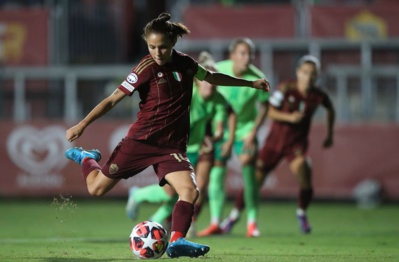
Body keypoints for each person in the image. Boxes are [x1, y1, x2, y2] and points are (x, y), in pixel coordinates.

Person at [64, 13, 269, 259]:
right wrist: (83, 124)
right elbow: (112, 100)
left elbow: (212, 77)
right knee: (96, 189)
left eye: (162, 47)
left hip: (171, 147)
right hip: (141, 141)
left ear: (173, 43)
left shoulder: (186, 64)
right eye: (152, 47)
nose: (157, 52)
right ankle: (87, 158)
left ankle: (177, 240)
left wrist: (249, 84)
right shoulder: (145, 68)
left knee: (190, 191)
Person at [125, 52, 237, 237]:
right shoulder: (186, 94)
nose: (210, 85)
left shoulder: (219, 99)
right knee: (170, 194)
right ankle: (138, 196)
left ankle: (164, 225)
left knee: (194, 190)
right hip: (175, 148)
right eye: (206, 80)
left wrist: (214, 138)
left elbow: (219, 128)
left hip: (198, 148)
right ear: (197, 81)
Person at [222, 55, 335, 235]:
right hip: (274, 143)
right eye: (305, 72)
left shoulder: (318, 95)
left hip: (296, 145)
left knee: (305, 170)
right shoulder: (285, 89)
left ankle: (302, 213)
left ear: (317, 76)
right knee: (254, 182)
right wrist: (289, 117)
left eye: (312, 74)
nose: (308, 77)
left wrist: (330, 135)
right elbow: (269, 112)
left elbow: (330, 109)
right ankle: (233, 216)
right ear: (298, 72)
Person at [198, 38, 269, 238]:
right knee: (217, 173)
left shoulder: (258, 77)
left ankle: (252, 223)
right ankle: (215, 222)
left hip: (245, 131)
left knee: (248, 168)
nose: (247, 58)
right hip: (221, 129)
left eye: (250, 54)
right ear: (232, 55)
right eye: (243, 53)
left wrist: (253, 132)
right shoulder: (218, 70)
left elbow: (265, 105)